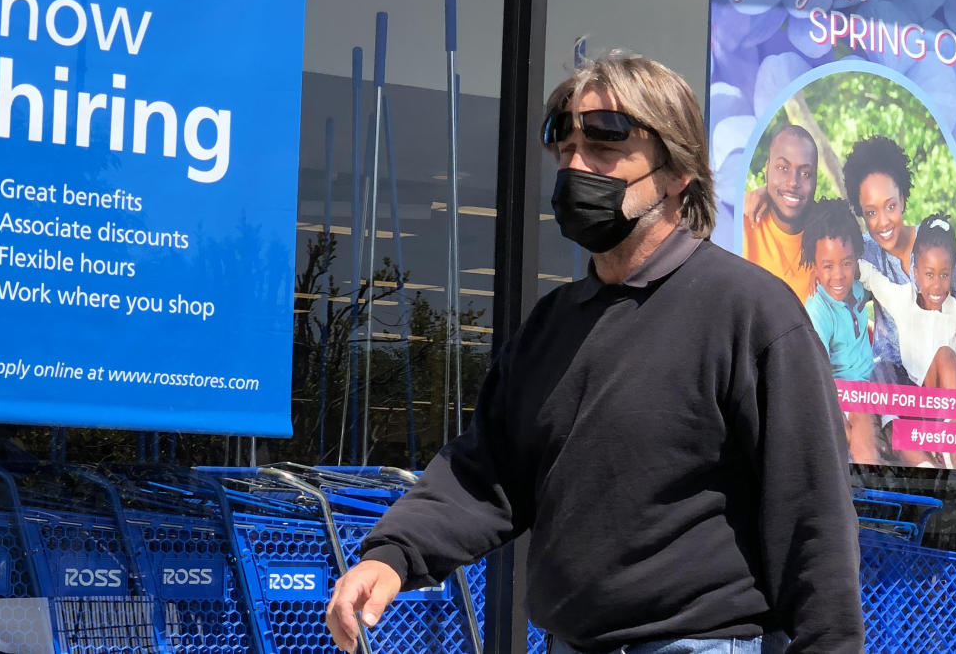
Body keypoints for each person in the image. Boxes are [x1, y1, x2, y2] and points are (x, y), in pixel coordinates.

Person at [325, 52, 863, 654]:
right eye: (566, 144)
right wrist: (394, 555)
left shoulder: (750, 312)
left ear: (677, 170)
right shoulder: (551, 328)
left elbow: (811, 516)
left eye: (607, 143)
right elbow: (486, 473)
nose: (577, 165)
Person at [842, 136, 956, 388]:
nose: (883, 222)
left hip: (942, 376)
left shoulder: (935, 243)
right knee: (880, 371)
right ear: (861, 212)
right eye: (871, 213)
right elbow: (827, 254)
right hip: (894, 382)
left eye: (890, 206)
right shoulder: (865, 251)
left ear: (903, 200)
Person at [857, 213, 956, 467]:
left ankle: (954, 443)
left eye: (944, 275)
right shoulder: (903, 299)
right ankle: (926, 465)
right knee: (882, 369)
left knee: (946, 355)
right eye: (929, 274)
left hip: (942, 405)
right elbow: (871, 276)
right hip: (913, 401)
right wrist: (838, 265)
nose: (937, 285)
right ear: (915, 272)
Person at [798, 198, 878, 465]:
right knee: (862, 424)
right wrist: (839, 420)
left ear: (856, 258)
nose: (838, 276)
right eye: (828, 266)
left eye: (846, 263)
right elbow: (814, 372)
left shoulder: (857, 288)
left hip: (871, 386)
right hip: (844, 397)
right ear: (815, 265)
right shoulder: (819, 310)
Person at [742, 125, 818, 304]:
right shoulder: (741, 222)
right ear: (767, 169)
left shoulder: (830, 237)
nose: (793, 182)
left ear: (815, 180)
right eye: (783, 168)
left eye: (806, 173)